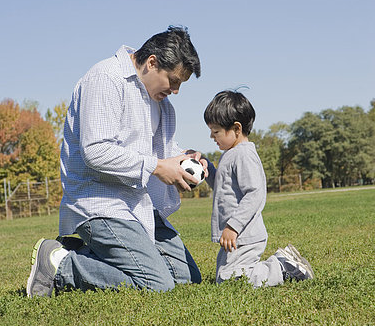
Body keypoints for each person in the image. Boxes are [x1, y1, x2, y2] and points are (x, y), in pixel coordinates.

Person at [27, 26, 206, 297]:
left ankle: (85, 252)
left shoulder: (158, 101)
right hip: (100, 203)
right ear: (152, 62)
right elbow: (95, 151)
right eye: (174, 80)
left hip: (138, 203)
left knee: (187, 277)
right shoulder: (105, 79)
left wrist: (184, 159)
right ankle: (61, 265)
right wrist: (158, 167)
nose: (176, 90)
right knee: (157, 285)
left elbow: (158, 150)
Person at [203, 90, 314, 288]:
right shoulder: (231, 153)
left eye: (216, 131)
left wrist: (233, 226)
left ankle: (282, 266)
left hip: (243, 233)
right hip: (236, 235)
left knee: (234, 280)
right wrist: (208, 169)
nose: (211, 136)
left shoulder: (244, 155)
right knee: (224, 278)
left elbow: (255, 193)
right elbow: (223, 187)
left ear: (236, 128)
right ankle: (279, 264)